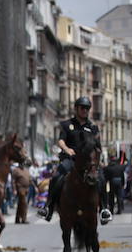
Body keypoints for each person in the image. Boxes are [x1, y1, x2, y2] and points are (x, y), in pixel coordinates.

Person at [37, 96, 111, 224]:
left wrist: (98, 159)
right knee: (56, 177)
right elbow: (60, 140)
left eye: (87, 108)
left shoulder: (93, 128)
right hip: (70, 159)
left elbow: (98, 146)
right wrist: (67, 149)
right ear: (76, 109)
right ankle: (48, 207)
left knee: (101, 178)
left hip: (88, 162)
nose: (85, 111)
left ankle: (104, 209)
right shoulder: (67, 125)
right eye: (82, 108)